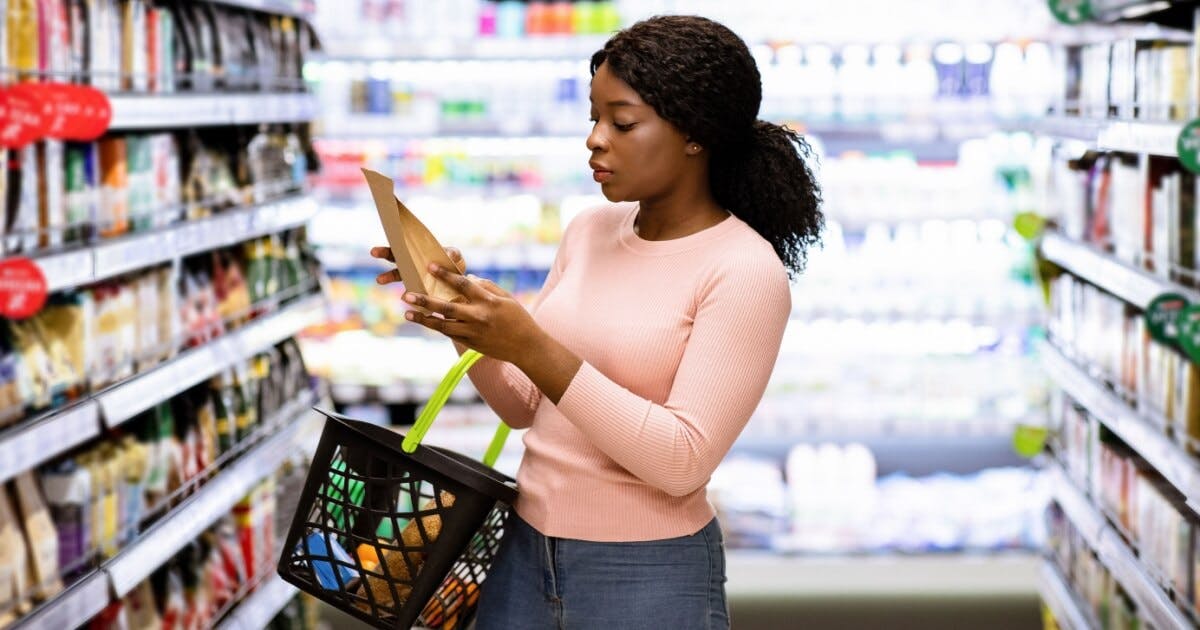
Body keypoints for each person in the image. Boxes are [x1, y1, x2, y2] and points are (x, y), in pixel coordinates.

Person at [370, 14, 822, 629]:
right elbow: (527, 406)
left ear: (696, 133)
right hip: (522, 553)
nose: (595, 139)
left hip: (648, 577)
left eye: (622, 121)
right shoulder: (589, 230)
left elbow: (681, 461)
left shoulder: (742, 270)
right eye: (593, 118)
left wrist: (531, 346)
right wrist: (462, 317)